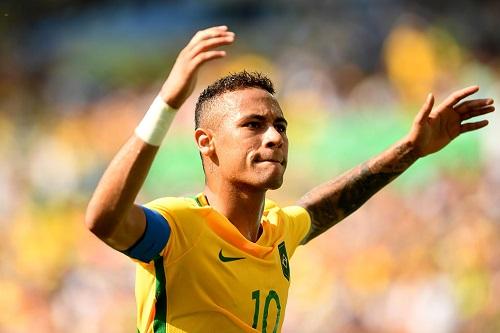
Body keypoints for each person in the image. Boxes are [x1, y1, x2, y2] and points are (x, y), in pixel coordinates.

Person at [85, 25, 495, 332]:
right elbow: (104, 220)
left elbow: (324, 204)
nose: (275, 136)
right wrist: (168, 102)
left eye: (280, 125)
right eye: (253, 124)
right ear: (206, 143)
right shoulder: (179, 229)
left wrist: (411, 149)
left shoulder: (277, 232)